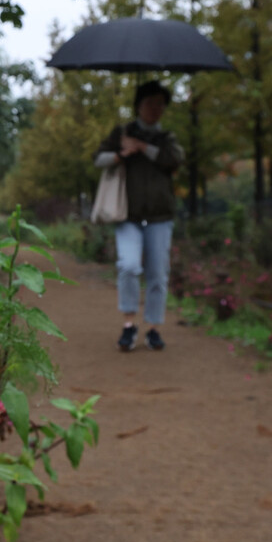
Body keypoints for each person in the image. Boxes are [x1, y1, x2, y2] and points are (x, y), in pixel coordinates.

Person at [94, 80, 185, 352]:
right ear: (138, 106)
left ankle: (154, 327)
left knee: (158, 272)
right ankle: (129, 324)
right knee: (129, 265)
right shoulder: (121, 133)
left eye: (160, 104)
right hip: (128, 216)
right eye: (150, 103)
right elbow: (98, 159)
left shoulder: (166, 139)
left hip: (160, 216)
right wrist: (123, 153)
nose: (155, 109)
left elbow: (175, 161)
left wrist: (145, 147)